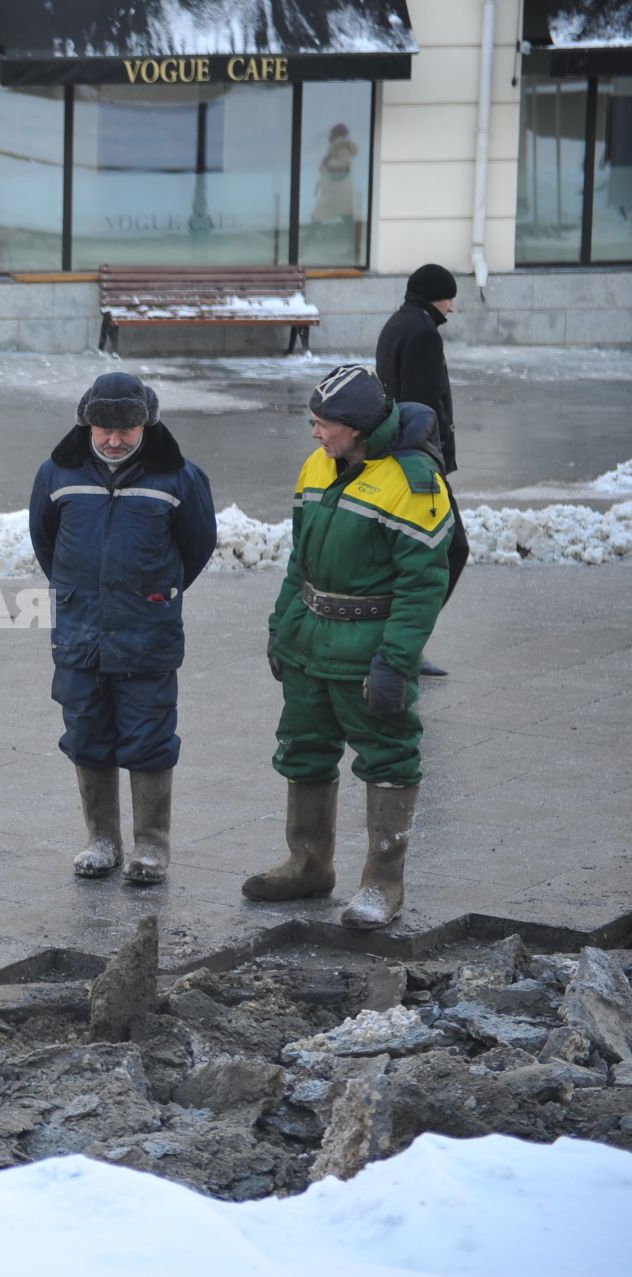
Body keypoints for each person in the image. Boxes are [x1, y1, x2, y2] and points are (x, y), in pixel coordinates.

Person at [245, 365, 455, 931]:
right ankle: (308, 864)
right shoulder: (318, 466)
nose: (315, 434)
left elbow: (422, 587)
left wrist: (395, 660)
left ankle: (383, 885)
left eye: (323, 424)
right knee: (304, 749)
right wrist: (281, 627)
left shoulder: (414, 483)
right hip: (310, 640)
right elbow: (299, 562)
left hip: (369, 647)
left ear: (357, 427)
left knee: (388, 756)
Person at [28, 373, 218, 886]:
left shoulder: (180, 478)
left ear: (147, 424)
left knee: (149, 735)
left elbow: (196, 547)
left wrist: (154, 592)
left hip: (147, 633)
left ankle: (152, 847)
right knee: (86, 732)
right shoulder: (56, 473)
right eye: (103, 428)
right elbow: (46, 544)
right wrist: (79, 593)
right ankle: (102, 841)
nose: (114, 439)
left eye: (127, 429)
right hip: (79, 632)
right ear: (86, 423)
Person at [376, 263, 470, 676]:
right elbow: (422, 406)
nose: (452, 305)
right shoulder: (422, 334)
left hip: (400, 454)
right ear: (435, 295)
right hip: (416, 460)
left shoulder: (399, 323)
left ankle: (398, 640)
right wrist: (430, 461)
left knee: (411, 553)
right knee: (452, 547)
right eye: (449, 296)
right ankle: (405, 643)